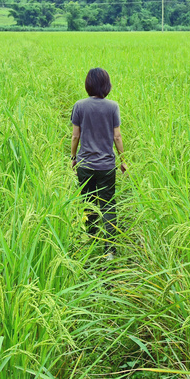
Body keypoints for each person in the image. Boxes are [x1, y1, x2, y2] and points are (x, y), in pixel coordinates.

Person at [70, 67, 126, 255]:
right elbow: (117, 137)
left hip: (85, 165)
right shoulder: (112, 107)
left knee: (88, 202)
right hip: (106, 166)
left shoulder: (79, 106)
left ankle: (91, 241)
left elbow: (75, 136)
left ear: (88, 85)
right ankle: (110, 250)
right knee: (108, 205)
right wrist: (123, 160)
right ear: (106, 86)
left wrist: (73, 158)